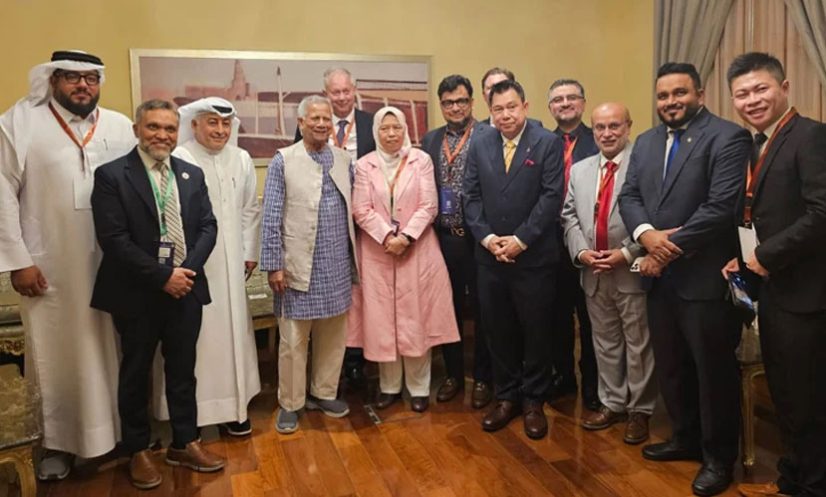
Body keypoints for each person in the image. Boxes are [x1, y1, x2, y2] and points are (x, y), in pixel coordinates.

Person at [0, 50, 135, 480]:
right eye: (73, 78)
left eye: (91, 78)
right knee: (57, 355)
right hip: (51, 264)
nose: (83, 86)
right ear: (53, 80)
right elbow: (2, 194)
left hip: (114, 261)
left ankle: (122, 436)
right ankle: (57, 445)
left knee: (119, 348)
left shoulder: (118, 125)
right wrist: (18, 261)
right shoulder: (19, 122)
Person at [618, 63, 751, 497]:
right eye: (663, 96)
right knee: (672, 366)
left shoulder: (728, 137)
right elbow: (629, 196)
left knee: (713, 373)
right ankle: (685, 437)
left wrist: (663, 249)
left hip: (704, 279)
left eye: (680, 93)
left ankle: (719, 458)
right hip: (660, 283)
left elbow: (720, 207)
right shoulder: (646, 141)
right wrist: (646, 236)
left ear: (700, 93)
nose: (671, 102)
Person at [91, 99, 223, 489]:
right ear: (137, 130)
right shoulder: (112, 176)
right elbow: (113, 239)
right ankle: (137, 449)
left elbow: (208, 227)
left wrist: (186, 272)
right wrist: (164, 276)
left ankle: (185, 442)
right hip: (136, 293)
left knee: (183, 371)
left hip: (186, 290)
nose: (162, 135)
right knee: (135, 373)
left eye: (169, 128)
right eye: (153, 127)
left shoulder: (191, 174)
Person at [722, 53, 826, 497]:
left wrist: (765, 255)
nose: (752, 100)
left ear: (784, 87)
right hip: (774, 289)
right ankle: (793, 477)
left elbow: (822, 212)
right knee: (786, 394)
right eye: (742, 94)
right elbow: (758, 213)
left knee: (808, 400)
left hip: (807, 295)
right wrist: (741, 258)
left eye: (760, 89)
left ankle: (813, 484)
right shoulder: (755, 145)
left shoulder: (811, 136)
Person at [151, 97, 261, 437]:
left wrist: (249, 251)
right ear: (195, 125)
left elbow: (249, 210)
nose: (220, 130)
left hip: (233, 267)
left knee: (232, 337)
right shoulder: (180, 158)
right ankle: (193, 416)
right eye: (212, 122)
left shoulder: (241, 159)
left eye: (226, 123)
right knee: (196, 341)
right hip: (193, 266)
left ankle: (234, 408)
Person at [464, 80, 564, 440]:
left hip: (533, 258)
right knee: (498, 329)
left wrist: (520, 240)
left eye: (511, 107)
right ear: (490, 112)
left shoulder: (547, 142)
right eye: (498, 109)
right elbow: (470, 196)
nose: (505, 115)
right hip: (490, 257)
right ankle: (506, 396)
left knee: (536, 330)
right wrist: (489, 239)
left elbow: (551, 197)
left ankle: (534, 400)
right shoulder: (480, 143)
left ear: (525, 106)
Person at [348, 106, 459, 413]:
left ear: (405, 129)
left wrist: (406, 237)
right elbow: (360, 209)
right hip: (377, 251)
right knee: (382, 320)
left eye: (396, 127)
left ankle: (419, 388)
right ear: (376, 133)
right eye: (384, 128)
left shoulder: (420, 160)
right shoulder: (364, 165)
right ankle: (389, 387)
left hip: (417, 249)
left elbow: (429, 205)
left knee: (416, 318)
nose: (391, 134)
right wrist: (387, 236)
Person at [561, 102, 656, 444]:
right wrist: (581, 253)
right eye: (600, 127)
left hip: (630, 269)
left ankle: (640, 410)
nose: (607, 133)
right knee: (604, 342)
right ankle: (613, 402)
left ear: (628, 126)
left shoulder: (644, 166)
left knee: (638, 344)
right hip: (593, 271)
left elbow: (652, 215)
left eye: (614, 126)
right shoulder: (580, 170)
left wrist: (626, 252)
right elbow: (569, 216)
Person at [261, 95, 357, 434]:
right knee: (293, 341)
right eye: (314, 118)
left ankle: (324, 392)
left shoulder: (344, 159)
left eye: (326, 118)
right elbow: (271, 215)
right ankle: (290, 403)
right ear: (300, 123)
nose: (321, 124)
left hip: (336, 264)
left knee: (333, 336)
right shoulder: (283, 160)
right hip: (296, 265)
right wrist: (274, 265)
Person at [295, 67, 375, 383]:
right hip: (327, 224)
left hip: (366, 223)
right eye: (334, 92)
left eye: (346, 91)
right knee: (334, 290)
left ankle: (356, 360)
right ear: (326, 93)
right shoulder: (312, 126)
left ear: (354, 90)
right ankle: (331, 366)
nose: (341, 97)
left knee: (360, 293)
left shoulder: (371, 123)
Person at [420, 75, 493, 409]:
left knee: (483, 309)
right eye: (448, 102)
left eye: (461, 101)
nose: (455, 107)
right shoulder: (431, 139)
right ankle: (452, 374)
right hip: (444, 239)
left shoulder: (489, 135)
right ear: (441, 105)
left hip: (479, 239)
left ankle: (483, 377)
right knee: (446, 308)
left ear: (472, 102)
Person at [547, 78, 600, 410]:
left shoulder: (600, 139)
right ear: (549, 107)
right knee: (557, 317)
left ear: (582, 102)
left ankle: (593, 383)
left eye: (571, 98)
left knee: (591, 317)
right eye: (557, 100)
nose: (565, 104)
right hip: (551, 243)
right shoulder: (542, 143)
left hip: (589, 240)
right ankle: (563, 377)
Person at [479, 67, 543, 129]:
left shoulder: (536, 127)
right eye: (491, 88)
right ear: (484, 95)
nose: (497, 92)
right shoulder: (477, 131)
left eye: (503, 86)